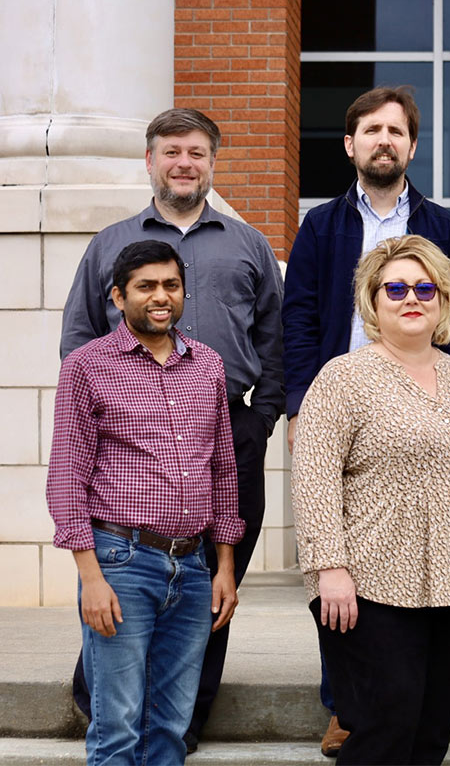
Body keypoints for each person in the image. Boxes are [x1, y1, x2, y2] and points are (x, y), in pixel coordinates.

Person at [60, 108, 284, 753]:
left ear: (212, 163)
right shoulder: (110, 242)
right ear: (150, 161)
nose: (184, 163)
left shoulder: (247, 243)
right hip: (126, 439)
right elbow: (78, 333)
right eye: (171, 152)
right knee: (123, 575)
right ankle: (102, 704)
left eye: (196, 153)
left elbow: (273, 334)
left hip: (227, 425)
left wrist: (261, 417)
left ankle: (188, 717)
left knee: (213, 580)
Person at [282, 85, 450, 756]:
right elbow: (301, 317)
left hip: (424, 400)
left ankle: (376, 705)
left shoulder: (441, 224)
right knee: (348, 558)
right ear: (350, 144)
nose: (383, 140)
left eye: (396, 131)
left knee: (409, 559)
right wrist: (301, 404)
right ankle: (350, 705)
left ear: (412, 146)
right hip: (345, 401)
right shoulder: (322, 224)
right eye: (371, 130)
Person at [290, 235, 450, 766]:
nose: (411, 297)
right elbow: (313, 478)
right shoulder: (343, 377)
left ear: (444, 300)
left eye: (425, 287)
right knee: (385, 725)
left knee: (431, 730)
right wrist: (329, 566)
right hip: (368, 583)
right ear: (372, 300)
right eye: (395, 287)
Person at [47, 240, 245, 765]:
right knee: (116, 727)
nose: (161, 296)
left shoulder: (207, 365)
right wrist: (91, 579)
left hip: (195, 567)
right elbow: (67, 478)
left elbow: (223, 469)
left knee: (171, 729)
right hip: (120, 564)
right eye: (146, 286)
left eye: (171, 285)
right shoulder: (87, 366)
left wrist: (224, 567)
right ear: (118, 296)